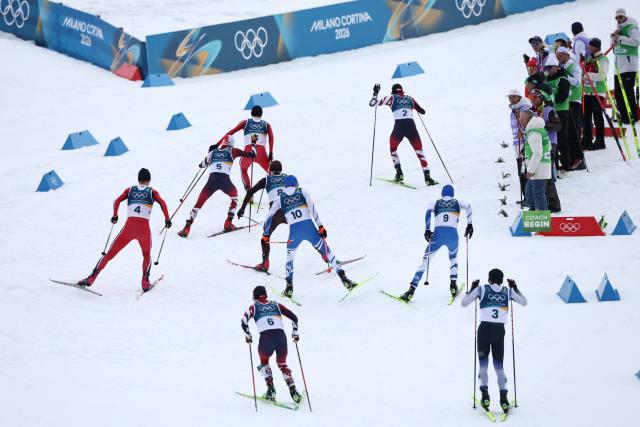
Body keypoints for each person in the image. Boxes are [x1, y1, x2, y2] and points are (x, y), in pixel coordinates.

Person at [78, 168, 171, 291]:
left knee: (109, 254)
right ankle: (145, 282)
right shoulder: (152, 192)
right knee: (147, 255)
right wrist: (167, 219)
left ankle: (91, 278)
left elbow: (116, 201)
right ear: (149, 180)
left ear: (138, 180)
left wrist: (115, 215)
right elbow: (163, 203)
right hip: (143, 229)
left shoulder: (130, 190)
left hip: (129, 228)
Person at [262, 175, 356, 297]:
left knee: (289, 260)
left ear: (285, 186)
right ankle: (345, 280)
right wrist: (321, 226)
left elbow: (269, 217)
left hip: (294, 233)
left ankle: (289, 288)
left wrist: (266, 235)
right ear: (296, 184)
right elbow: (313, 209)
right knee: (328, 253)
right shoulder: (302, 191)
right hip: (310, 230)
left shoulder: (279, 199)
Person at [460, 269, 527, 413]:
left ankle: (485, 396)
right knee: (499, 366)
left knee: (483, 365)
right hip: (499, 331)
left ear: (489, 279)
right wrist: (515, 288)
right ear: (502, 280)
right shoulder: (507, 291)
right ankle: (504, 399)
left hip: (484, 330)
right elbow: (524, 302)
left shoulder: (482, 289)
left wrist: (472, 288)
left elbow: (464, 303)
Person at [400, 185, 473, 302]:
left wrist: (427, 230)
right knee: (453, 258)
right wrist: (469, 225)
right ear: (452, 193)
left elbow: (428, 212)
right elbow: (469, 206)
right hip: (453, 236)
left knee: (425, 262)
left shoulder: (435, 202)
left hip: (438, 235)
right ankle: (453, 286)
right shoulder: (458, 202)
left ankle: (411, 290)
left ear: (442, 193)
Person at [177, 135, 256, 237]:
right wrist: (253, 142)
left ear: (223, 142)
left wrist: (211, 154)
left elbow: (201, 165)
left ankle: (187, 227)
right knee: (234, 197)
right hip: (225, 181)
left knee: (199, 203)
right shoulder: (233, 151)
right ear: (232, 144)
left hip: (211, 181)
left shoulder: (213, 152)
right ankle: (228, 223)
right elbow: (253, 154)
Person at [241, 285, 302, 403]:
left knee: (264, 362)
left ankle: (271, 390)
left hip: (266, 338)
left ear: (254, 297)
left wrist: (248, 335)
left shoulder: (253, 307)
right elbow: (294, 317)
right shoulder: (276, 305)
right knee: (282, 364)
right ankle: (293, 391)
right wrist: (295, 332)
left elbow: (243, 321)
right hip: (281, 337)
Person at [369, 83, 438, 185]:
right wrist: (413, 107)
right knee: (419, 151)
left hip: (399, 128)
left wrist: (375, 93)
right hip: (411, 128)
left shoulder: (391, 98)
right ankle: (428, 178)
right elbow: (422, 111)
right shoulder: (410, 99)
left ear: (393, 91)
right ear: (402, 90)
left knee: (393, 149)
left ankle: (399, 173)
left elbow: (372, 104)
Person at [237, 160, 288, 272]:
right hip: (289, 211)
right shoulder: (287, 177)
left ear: (270, 171)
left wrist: (242, 208)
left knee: (265, 238)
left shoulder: (266, 179)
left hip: (274, 213)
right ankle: (326, 256)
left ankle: (265, 263)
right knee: (306, 230)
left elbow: (250, 192)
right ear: (281, 170)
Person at [219, 105, 274, 190]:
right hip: (261, 154)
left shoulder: (245, 122)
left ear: (251, 113)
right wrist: (271, 153)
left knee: (243, 169)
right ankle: (279, 192)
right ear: (261, 114)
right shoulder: (266, 124)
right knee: (273, 173)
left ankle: (249, 193)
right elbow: (271, 138)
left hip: (248, 153)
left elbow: (230, 133)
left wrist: (217, 144)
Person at [529, 89, 562, 212]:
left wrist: (544, 124)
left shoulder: (549, 110)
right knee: (541, 176)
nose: (532, 100)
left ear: (541, 98)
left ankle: (554, 205)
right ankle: (546, 203)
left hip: (550, 144)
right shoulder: (533, 112)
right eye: (531, 97)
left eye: (535, 97)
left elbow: (558, 126)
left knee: (546, 175)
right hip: (538, 145)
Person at [557, 46, 586, 170]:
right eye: (557, 56)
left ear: (566, 55)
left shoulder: (574, 66)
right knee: (567, 132)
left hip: (574, 100)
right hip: (565, 101)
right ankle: (570, 158)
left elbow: (577, 82)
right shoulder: (561, 67)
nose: (559, 58)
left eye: (560, 56)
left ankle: (579, 159)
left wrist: (565, 77)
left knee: (574, 131)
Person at [545, 55, 573, 172]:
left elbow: (562, 96)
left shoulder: (563, 79)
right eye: (546, 68)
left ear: (556, 67)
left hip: (562, 111)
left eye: (549, 68)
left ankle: (567, 164)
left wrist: (550, 96)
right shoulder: (548, 79)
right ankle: (555, 165)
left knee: (562, 139)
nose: (547, 70)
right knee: (552, 140)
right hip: (551, 112)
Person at [611, 8, 639, 124]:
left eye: (620, 17)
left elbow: (636, 42)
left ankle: (632, 115)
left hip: (629, 65)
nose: (618, 19)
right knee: (618, 93)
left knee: (627, 91)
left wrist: (620, 38)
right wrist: (613, 38)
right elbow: (613, 48)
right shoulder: (618, 30)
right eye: (617, 17)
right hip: (618, 67)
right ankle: (623, 116)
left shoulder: (632, 27)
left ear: (625, 17)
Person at [520, 109, 551, 211]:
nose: (520, 121)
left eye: (522, 119)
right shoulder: (538, 128)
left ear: (529, 119)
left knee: (538, 193)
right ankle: (533, 214)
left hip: (538, 168)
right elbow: (549, 146)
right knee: (529, 191)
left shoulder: (534, 133)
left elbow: (538, 153)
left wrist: (530, 170)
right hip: (539, 166)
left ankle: (542, 218)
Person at [583, 38, 609, 151]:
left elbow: (601, 76)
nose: (588, 48)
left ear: (595, 47)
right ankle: (587, 141)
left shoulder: (603, 59)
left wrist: (586, 75)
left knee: (598, 117)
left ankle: (600, 142)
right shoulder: (589, 58)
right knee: (586, 117)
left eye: (590, 46)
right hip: (587, 91)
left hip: (598, 92)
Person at [507, 89, 532, 200]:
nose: (511, 100)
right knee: (520, 170)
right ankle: (525, 196)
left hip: (524, 143)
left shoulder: (524, 108)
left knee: (524, 170)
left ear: (518, 97)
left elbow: (528, 125)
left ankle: (528, 197)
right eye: (509, 98)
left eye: (513, 97)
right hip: (517, 144)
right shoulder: (514, 109)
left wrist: (522, 131)